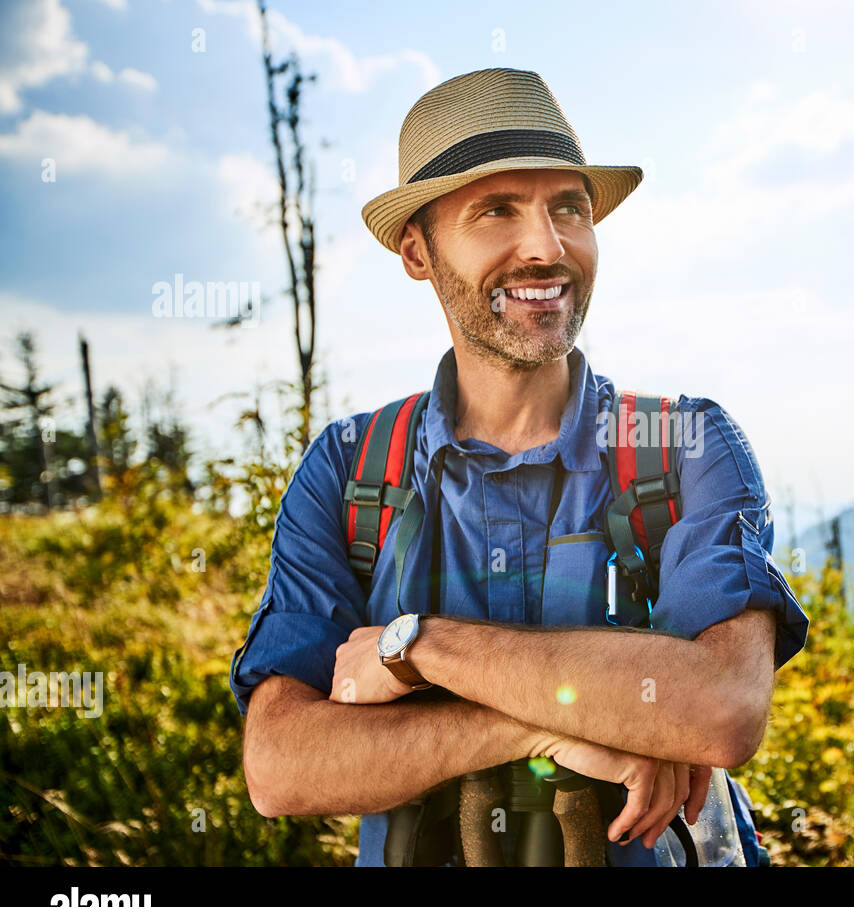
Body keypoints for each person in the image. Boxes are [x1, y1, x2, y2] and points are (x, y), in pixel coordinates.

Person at [229, 67, 810, 866]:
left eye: (569, 206)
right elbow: (281, 766)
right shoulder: (348, 472)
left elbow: (723, 708)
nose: (547, 245)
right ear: (416, 250)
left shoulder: (684, 446)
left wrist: (419, 646)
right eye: (496, 210)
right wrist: (552, 724)